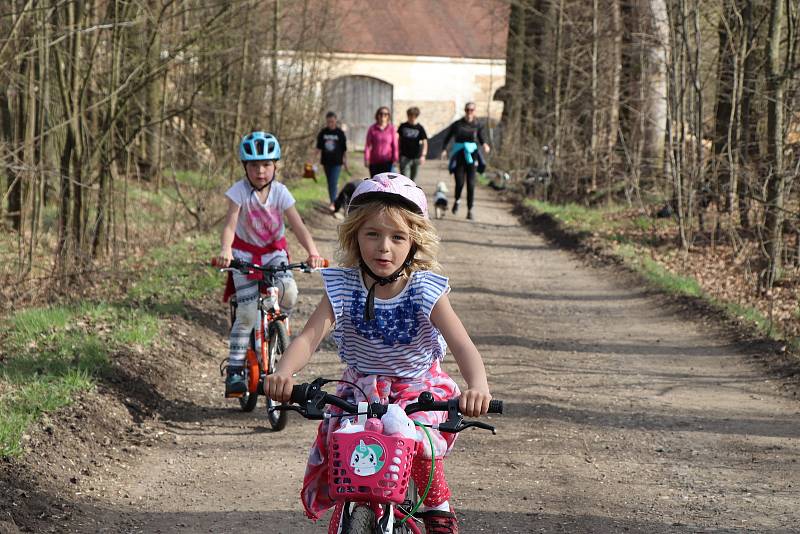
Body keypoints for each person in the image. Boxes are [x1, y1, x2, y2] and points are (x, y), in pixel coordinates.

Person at [266, 173, 493, 534]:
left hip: (417, 387)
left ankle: (438, 509)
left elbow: (463, 344)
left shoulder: (423, 289)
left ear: (414, 243)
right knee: (346, 454)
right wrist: (283, 372)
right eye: (372, 234)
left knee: (418, 447)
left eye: (397, 237)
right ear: (355, 236)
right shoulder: (344, 285)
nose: (383, 247)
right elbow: (309, 338)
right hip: (361, 388)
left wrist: (477, 385)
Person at [216, 131, 325, 395]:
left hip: (275, 254)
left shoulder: (280, 192)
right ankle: (234, 368)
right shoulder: (239, 192)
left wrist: (313, 251)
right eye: (254, 165)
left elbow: (297, 225)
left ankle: (276, 330)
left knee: (290, 293)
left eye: (266, 164)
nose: (261, 171)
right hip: (244, 256)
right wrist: (225, 250)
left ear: (275, 165)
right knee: (245, 313)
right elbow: (230, 225)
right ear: (245, 167)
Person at [440, 102, 491, 220]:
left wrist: (485, 145)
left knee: (471, 184)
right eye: (468, 110)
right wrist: (444, 149)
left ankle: (470, 210)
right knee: (460, 182)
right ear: (465, 110)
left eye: (472, 110)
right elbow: (448, 137)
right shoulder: (458, 124)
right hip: (459, 155)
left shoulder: (478, 124)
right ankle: (457, 201)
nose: (469, 112)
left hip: (472, 156)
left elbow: (481, 137)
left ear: (474, 111)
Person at [315, 111, 348, 212]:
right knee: (330, 183)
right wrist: (312, 161)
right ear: (326, 121)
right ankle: (333, 200)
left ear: (335, 121)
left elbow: (344, 149)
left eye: (332, 121)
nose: (330, 124)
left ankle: (333, 203)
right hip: (326, 162)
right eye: (329, 122)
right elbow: (318, 148)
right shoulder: (323, 133)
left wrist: (346, 161)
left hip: (337, 162)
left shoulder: (340, 133)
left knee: (333, 182)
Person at [364, 106, 398, 177]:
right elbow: (368, 145)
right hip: (374, 162)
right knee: (376, 185)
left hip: (388, 162)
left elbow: (395, 145)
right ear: (377, 115)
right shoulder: (372, 129)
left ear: (388, 116)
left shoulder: (391, 129)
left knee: (387, 185)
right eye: (381, 114)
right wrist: (366, 159)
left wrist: (395, 158)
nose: (383, 116)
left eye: (386, 114)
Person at [397, 106, 428, 181]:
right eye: (409, 115)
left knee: (413, 181)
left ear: (416, 116)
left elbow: (425, 142)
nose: (410, 117)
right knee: (405, 180)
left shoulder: (420, 128)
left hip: (416, 157)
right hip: (404, 157)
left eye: (412, 115)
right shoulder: (403, 126)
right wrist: (397, 152)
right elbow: (397, 139)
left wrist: (423, 155)